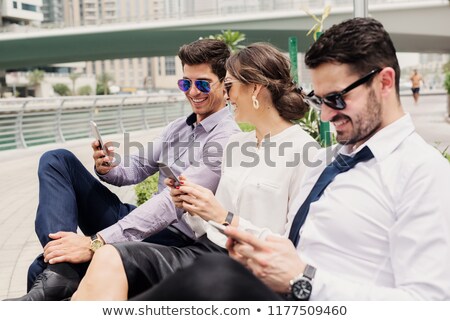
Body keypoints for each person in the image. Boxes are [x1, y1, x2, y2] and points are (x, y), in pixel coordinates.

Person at [128, 17, 450, 301]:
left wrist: (304, 282)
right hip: (264, 279)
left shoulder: (422, 172)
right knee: (128, 266)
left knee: (207, 276)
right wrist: (220, 216)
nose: (324, 115)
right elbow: (286, 244)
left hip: (299, 295)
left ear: (385, 82)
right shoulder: (331, 159)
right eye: (320, 100)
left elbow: (430, 303)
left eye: (336, 99)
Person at [71, 43, 318, 300]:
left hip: (245, 268)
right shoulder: (238, 144)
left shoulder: (304, 151)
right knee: (108, 256)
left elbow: (292, 246)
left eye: (230, 87)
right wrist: (191, 204)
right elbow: (206, 222)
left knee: (109, 262)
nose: (227, 96)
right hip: (203, 250)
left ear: (255, 88)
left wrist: (223, 216)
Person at [6, 39, 241, 301]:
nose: (193, 92)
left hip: (176, 237)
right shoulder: (178, 127)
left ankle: (58, 272)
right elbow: (136, 168)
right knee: (57, 160)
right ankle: (61, 266)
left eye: (203, 84)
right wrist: (107, 166)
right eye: (186, 83)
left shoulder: (226, 137)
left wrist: (94, 242)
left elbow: (170, 205)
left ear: (224, 83)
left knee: (38, 268)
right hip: (143, 220)